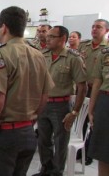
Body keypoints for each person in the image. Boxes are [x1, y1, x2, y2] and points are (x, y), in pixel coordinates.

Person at [0, 6, 54, 176]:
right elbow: (45, 96)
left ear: (4, 27)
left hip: (4, 136)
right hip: (28, 132)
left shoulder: (0, 55)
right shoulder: (38, 55)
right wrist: (31, 120)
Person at [33, 26, 87, 176]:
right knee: (43, 140)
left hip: (61, 106)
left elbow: (82, 87)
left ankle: (57, 172)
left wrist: (74, 112)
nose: (47, 38)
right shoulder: (42, 55)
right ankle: (46, 169)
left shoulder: (73, 58)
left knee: (60, 141)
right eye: (47, 36)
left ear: (63, 39)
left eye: (51, 36)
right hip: (43, 104)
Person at [78, 19, 109, 165]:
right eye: (93, 26)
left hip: (99, 90)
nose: (94, 29)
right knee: (82, 121)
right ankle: (81, 150)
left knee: (95, 124)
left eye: (99, 27)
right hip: (84, 87)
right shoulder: (84, 46)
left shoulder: (106, 48)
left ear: (106, 30)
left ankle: (90, 151)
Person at [88, 47, 109, 176]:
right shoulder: (105, 54)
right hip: (105, 102)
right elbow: (97, 82)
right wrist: (91, 109)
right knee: (104, 151)